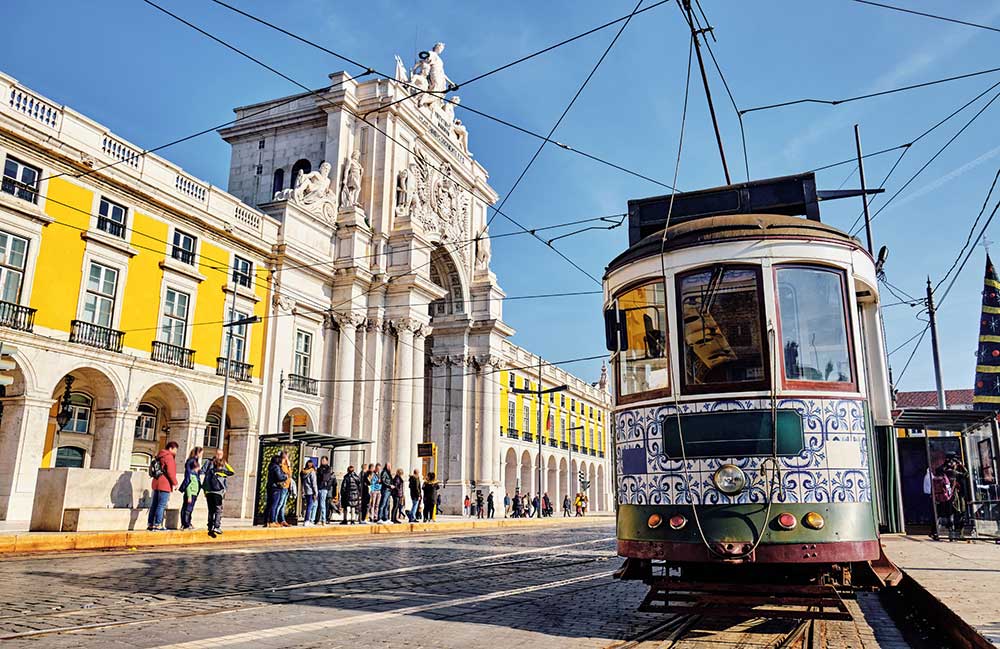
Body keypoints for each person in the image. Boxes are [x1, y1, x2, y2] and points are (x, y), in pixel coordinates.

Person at [146, 441, 178, 531]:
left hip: (156, 482)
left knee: (154, 504)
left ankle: (150, 524)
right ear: (171, 448)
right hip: (165, 484)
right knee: (161, 505)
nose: (176, 452)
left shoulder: (159, 455)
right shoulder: (169, 457)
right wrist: (175, 483)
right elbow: (170, 472)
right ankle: (158, 524)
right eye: (175, 450)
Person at [202, 450, 235, 537]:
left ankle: (210, 526)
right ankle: (216, 526)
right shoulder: (222, 472)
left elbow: (206, 480)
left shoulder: (210, 470)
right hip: (218, 493)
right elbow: (232, 472)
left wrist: (205, 491)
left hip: (209, 492)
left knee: (211, 510)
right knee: (218, 510)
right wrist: (226, 463)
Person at [178, 446, 203, 530]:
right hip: (191, 492)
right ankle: (186, 524)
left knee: (188, 508)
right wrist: (189, 495)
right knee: (187, 508)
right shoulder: (192, 467)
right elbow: (188, 482)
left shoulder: (191, 462)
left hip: (194, 491)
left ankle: (186, 523)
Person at [266, 454, 288, 528]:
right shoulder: (276, 467)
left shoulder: (271, 466)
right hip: (276, 487)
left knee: (269, 504)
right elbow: (279, 477)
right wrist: (285, 476)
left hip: (270, 486)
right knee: (274, 504)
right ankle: (272, 521)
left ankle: (267, 521)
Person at [316, 457, 334, 525]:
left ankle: (323, 519)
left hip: (324, 488)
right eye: (321, 460)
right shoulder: (319, 468)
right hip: (318, 487)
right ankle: (317, 519)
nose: (322, 461)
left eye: (324, 460)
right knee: (317, 504)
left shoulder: (328, 469)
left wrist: (327, 486)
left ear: (327, 461)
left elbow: (324, 477)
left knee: (322, 504)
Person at [277, 451, 292, 527]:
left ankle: (282, 520)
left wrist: (289, 466)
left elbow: (290, 474)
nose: (287, 458)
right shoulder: (281, 465)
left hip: (287, 486)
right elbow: (287, 474)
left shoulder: (286, 465)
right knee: (280, 504)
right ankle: (275, 520)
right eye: (286, 456)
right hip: (283, 486)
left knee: (283, 505)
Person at [300, 459, 318, 526]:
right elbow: (314, 483)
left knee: (307, 505)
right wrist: (315, 492)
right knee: (310, 506)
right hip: (311, 491)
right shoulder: (312, 472)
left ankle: (306, 520)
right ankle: (307, 520)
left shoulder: (303, 472)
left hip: (306, 490)